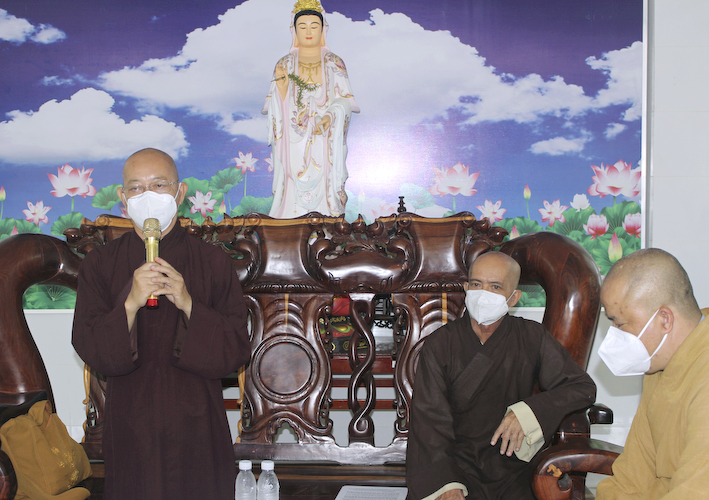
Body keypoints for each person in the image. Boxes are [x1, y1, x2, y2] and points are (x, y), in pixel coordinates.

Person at [72, 148, 251, 500]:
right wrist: (130, 304)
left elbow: (235, 350)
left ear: (180, 193)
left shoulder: (213, 262)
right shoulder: (100, 264)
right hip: (130, 427)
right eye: (136, 188)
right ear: (123, 197)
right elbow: (89, 346)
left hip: (198, 426)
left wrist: (188, 303)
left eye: (159, 185)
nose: (148, 196)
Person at [406, 252, 596, 500]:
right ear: (466, 289)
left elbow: (582, 388)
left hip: (513, 468)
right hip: (454, 466)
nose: (483, 293)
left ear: (513, 297)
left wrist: (528, 412)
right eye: (476, 284)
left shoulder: (531, 337)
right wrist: (447, 486)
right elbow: (429, 422)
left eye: (495, 287)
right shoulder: (440, 344)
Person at [595, 248, 708, 499]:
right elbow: (631, 477)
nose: (614, 335)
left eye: (620, 323)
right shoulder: (659, 365)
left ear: (664, 319)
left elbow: (695, 492)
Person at [263, 0, 359, 218]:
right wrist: (282, 89)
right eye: (302, 26)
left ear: (323, 30)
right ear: (294, 31)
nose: (308, 32)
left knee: (326, 181)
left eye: (314, 26)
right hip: (293, 140)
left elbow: (346, 101)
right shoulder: (285, 64)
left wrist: (331, 116)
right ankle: (289, 218)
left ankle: (327, 219)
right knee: (291, 181)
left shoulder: (334, 62)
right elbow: (276, 105)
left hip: (325, 138)